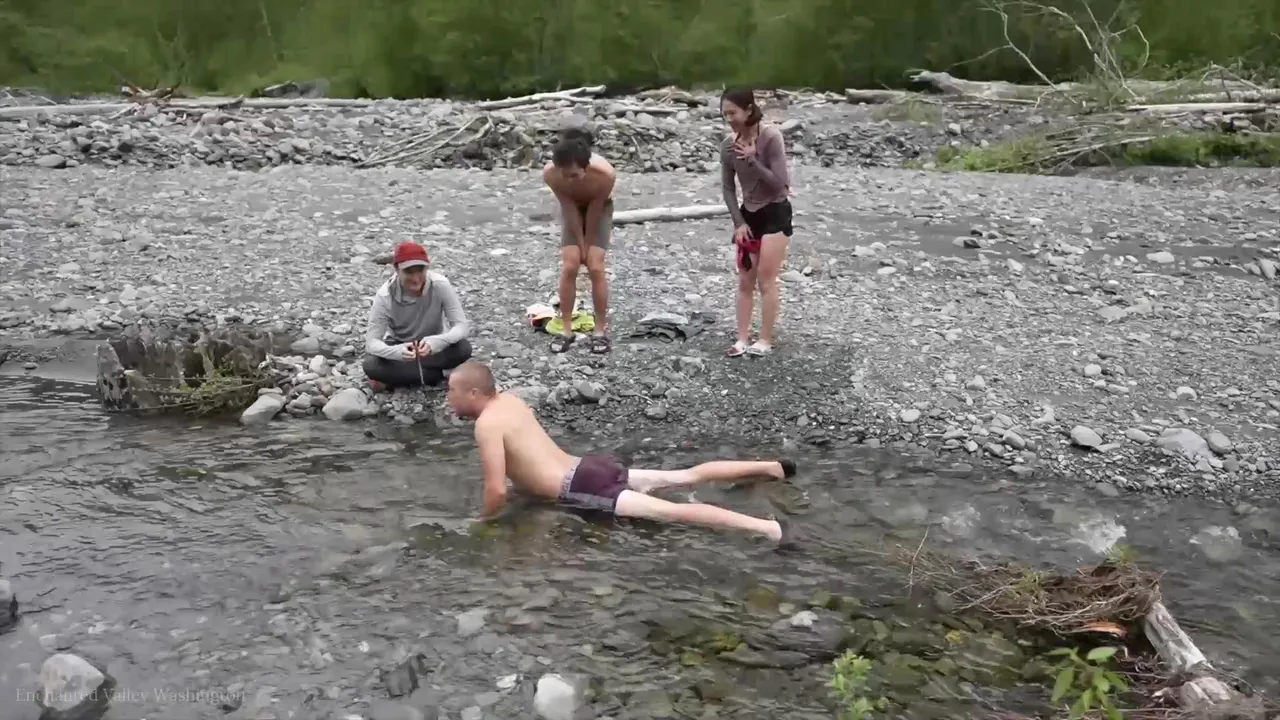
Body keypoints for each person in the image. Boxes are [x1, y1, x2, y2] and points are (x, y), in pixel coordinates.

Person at [446, 361, 802, 549]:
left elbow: (496, 490)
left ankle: (769, 529)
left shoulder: (487, 425)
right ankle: (773, 468)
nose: (449, 398)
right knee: (686, 476)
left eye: (452, 391)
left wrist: (482, 524)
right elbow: (528, 463)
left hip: (581, 487)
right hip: (589, 467)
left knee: (674, 512)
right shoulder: (509, 400)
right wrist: (524, 495)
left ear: (474, 393)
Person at [719, 88, 794, 358]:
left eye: (733, 113)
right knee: (744, 280)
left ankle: (765, 339)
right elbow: (728, 188)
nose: (729, 119)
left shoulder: (771, 136)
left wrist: (753, 160)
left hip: (775, 211)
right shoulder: (728, 145)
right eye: (725, 114)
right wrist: (738, 223)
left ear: (749, 110)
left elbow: (781, 184)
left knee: (766, 279)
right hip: (748, 214)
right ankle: (741, 338)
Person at [543, 127, 617, 355]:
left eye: (574, 175)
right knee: (570, 265)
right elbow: (568, 207)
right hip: (572, 209)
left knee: (595, 266)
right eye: (565, 175)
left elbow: (595, 209)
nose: (569, 180)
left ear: (585, 167)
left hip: (599, 209)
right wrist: (579, 245)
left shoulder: (605, 175)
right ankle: (566, 330)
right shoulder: (551, 174)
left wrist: (588, 244)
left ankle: (600, 331)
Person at [363, 241, 472, 391]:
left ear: (427, 268)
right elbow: (372, 342)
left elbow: (461, 326)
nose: (416, 278)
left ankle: (398, 379)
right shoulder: (385, 296)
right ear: (397, 269)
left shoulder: (440, 285)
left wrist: (438, 342)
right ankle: (440, 375)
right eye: (409, 271)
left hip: (434, 347)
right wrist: (397, 352)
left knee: (463, 348)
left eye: (420, 270)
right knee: (371, 365)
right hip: (401, 346)